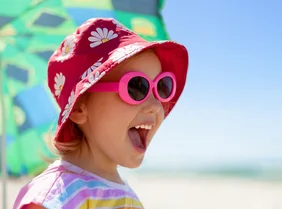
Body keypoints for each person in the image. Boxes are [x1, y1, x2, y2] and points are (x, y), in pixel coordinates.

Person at [12, 17, 189, 209]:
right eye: (137, 87)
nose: (156, 105)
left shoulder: (124, 194)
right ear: (79, 107)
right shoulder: (56, 196)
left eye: (162, 87)